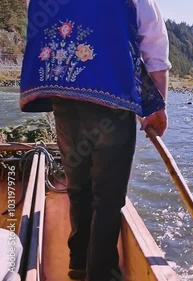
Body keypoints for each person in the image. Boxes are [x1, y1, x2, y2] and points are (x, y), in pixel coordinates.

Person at [19, 0, 171, 280]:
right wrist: (157, 105)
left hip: (65, 97)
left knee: (78, 188)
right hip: (111, 103)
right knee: (108, 198)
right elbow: (153, 41)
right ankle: (100, 273)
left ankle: (78, 263)